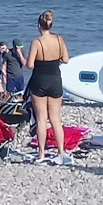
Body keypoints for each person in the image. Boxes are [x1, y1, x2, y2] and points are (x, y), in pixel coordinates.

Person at [24, 10, 71, 164]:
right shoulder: (59, 39)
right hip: (55, 79)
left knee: (41, 119)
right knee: (56, 119)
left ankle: (41, 153)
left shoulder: (37, 42)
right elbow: (66, 59)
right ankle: (61, 152)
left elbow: (30, 65)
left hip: (39, 80)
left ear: (39, 26)